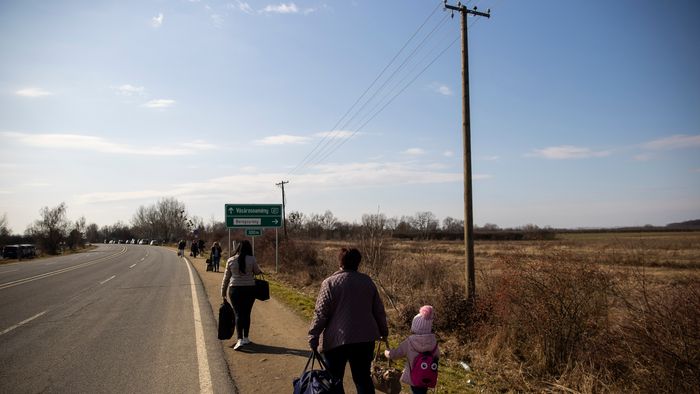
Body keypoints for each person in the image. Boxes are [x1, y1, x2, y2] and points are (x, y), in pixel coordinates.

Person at [308, 247, 389, 394]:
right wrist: (384, 331)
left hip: (336, 340)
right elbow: (379, 310)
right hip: (364, 340)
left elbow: (320, 313)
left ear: (340, 262)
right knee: (363, 379)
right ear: (358, 263)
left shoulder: (330, 283)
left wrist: (313, 336)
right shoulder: (367, 282)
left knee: (334, 380)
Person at [384, 305, 440, 394]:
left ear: (415, 327)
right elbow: (437, 356)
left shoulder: (409, 342)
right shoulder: (434, 342)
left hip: (414, 376)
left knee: (416, 391)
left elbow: (397, 353)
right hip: (428, 375)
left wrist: (387, 353)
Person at [221, 240, 262, 350]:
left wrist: (223, 292)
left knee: (238, 313)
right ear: (249, 248)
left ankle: (239, 340)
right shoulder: (251, 259)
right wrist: (258, 270)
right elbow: (257, 271)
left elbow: (226, 278)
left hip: (235, 290)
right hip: (249, 289)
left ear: (238, 248)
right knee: (247, 313)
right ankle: (246, 337)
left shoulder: (230, 260)